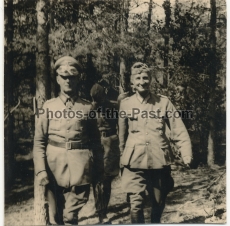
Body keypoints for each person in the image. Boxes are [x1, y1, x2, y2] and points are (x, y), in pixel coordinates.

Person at [118, 62, 192, 223]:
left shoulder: (163, 102)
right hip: (134, 161)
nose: (142, 81)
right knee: (135, 203)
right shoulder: (125, 104)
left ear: (150, 80)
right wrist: (122, 160)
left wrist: (186, 153)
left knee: (158, 202)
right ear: (132, 82)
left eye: (145, 78)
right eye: (138, 78)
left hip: (159, 159)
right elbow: (121, 137)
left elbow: (178, 128)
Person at [33, 56, 100, 225]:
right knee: (56, 219)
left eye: (72, 77)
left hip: (81, 167)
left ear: (78, 79)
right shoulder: (49, 107)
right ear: (57, 79)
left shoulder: (87, 107)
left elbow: (96, 141)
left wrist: (98, 169)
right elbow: (39, 142)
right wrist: (41, 171)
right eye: (64, 77)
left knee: (70, 216)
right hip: (53, 168)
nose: (68, 81)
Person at [90, 83, 120, 224]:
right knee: (96, 178)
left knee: (107, 178)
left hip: (111, 142)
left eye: (99, 99)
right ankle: (100, 211)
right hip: (96, 143)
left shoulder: (114, 107)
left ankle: (104, 209)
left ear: (104, 96)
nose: (96, 102)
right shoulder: (90, 108)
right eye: (94, 99)